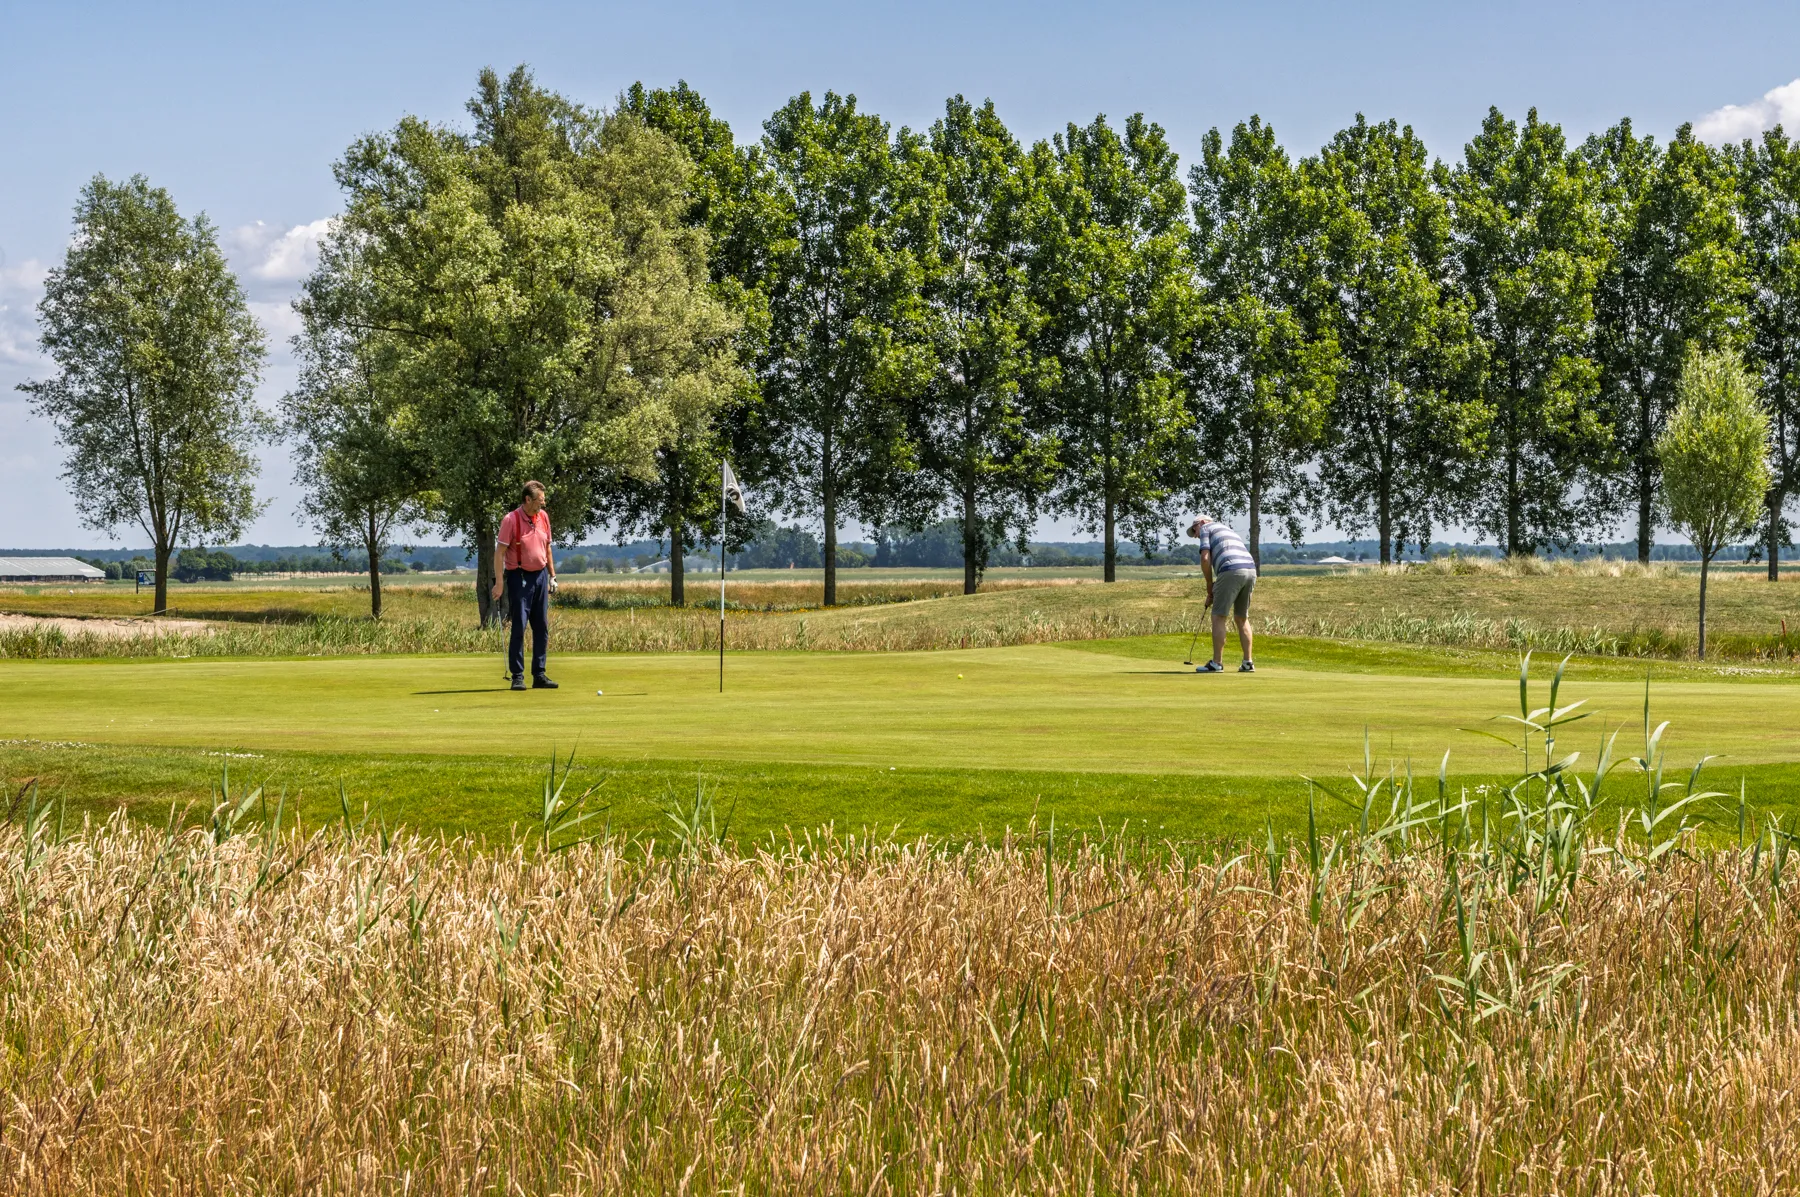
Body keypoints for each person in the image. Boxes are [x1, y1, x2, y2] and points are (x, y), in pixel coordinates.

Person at [490, 481, 559, 691]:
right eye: (540, 500)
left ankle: (539, 674)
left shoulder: (543, 517)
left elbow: (547, 549)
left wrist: (552, 576)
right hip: (518, 576)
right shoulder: (511, 520)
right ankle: (517, 676)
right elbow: (499, 553)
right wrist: (499, 584)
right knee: (519, 625)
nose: (542, 504)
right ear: (528, 499)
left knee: (542, 627)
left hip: (539, 576)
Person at [1187, 514, 1256, 673]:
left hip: (1230, 569)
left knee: (1218, 616)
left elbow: (1205, 559)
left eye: (1194, 529)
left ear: (1202, 522)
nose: (1195, 534)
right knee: (1241, 617)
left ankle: (1216, 663)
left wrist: (1209, 585)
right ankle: (1248, 662)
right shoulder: (1227, 529)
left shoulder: (1206, 528)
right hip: (1251, 570)